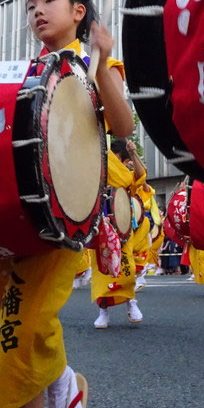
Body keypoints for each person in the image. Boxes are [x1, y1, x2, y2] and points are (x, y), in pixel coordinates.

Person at [0, 0, 133, 408]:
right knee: (4, 320)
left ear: (79, 11)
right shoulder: (21, 73)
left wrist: (99, 67)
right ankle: (58, 392)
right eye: (30, 5)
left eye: (48, 1)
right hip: (11, 209)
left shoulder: (95, 65)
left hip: (65, 216)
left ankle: (61, 382)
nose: (36, 10)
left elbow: (123, 127)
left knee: (28, 322)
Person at [89, 138, 147, 329]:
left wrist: (133, 153)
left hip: (122, 225)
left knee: (126, 265)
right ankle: (103, 311)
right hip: (100, 224)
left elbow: (140, 177)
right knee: (102, 268)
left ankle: (131, 302)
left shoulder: (123, 171)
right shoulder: (96, 164)